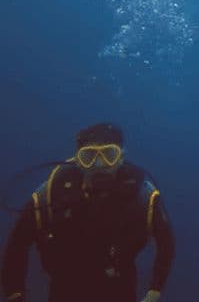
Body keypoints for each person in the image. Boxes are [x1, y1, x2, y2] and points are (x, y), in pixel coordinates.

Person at [1, 123, 175, 302]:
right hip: (65, 289)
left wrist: (155, 290)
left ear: (121, 157)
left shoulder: (141, 195)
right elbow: (18, 242)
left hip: (119, 287)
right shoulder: (53, 193)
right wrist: (15, 293)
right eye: (88, 156)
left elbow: (166, 243)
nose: (99, 164)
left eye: (109, 155)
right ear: (77, 161)